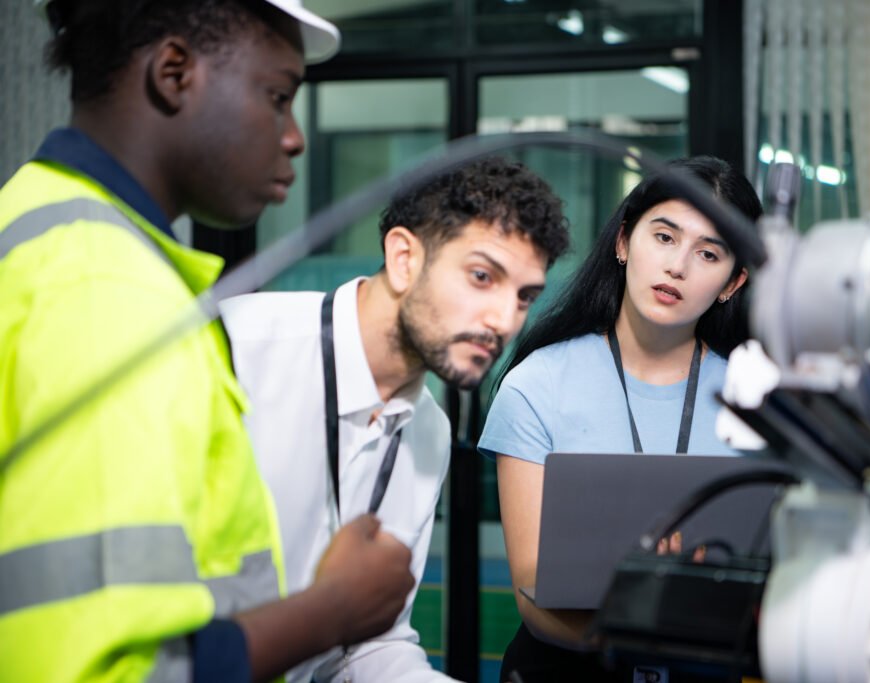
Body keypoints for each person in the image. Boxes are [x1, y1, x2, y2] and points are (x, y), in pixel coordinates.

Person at [0, 2, 418, 681]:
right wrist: (331, 608)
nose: (294, 137)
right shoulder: (108, 290)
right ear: (173, 73)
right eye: (276, 97)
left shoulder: (42, 221)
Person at [219, 156, 571, 682]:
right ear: (404, 258)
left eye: (524, 297)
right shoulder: (237, 352)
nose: (505, 320)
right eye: (482, 276)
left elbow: (367, 648)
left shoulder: (427, 431)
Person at [478, 156, 764, 682]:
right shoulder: (537, 386)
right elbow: (531, 593)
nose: (679, 266)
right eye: (664, 237)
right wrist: (653, 631)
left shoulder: (757, 402)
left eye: (709, 253)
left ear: (733, 281)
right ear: (624, 242)